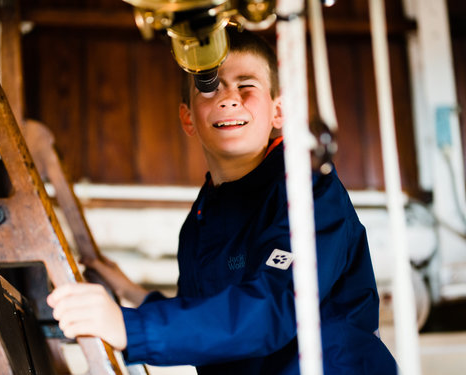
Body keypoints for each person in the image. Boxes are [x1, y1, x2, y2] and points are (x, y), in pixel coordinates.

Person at [47, 27, 397, 374]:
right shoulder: (200, 221)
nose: (229, 99)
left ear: (279, 111)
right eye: (209, 86)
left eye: (246, 86)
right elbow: (209, 318)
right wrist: (132, 293)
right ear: (188, 119)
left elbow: (274, 306)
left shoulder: (310, 189)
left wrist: (131, 327)